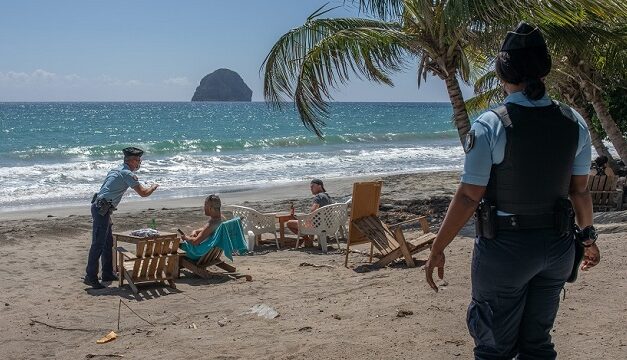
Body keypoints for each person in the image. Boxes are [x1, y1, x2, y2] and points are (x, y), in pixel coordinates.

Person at [424, 22, 601, 359]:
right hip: (557, 248)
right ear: (544, 69)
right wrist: (589, 238)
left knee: (494, 348)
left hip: (506, 251)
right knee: (538, 344)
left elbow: (467, 196)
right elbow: (580, 192)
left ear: (501, 71)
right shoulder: (574, 121)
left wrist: (438, 246)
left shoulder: (491, 123)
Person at [84, 147, 159, 289]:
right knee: (98, 244)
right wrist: (153, 187)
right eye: (137, 160)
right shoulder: (127, 174)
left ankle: (107, 273)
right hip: (102, 209)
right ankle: (90, 276)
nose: (139, 163)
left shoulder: (115, 170)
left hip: (103, 208)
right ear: (130, 160)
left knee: (108, 243)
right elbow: (143, 193)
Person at [286, 178, 333, 247]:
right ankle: (309, 242)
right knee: (311, 220)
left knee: (289, 223)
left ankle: (307, 239)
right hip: (327, 224)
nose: (311, 188)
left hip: (317, 226)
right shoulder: (328, 197)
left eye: (312, 186)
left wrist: (303, 219)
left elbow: (312, 212)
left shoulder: (318, 197)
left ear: (319, 186)